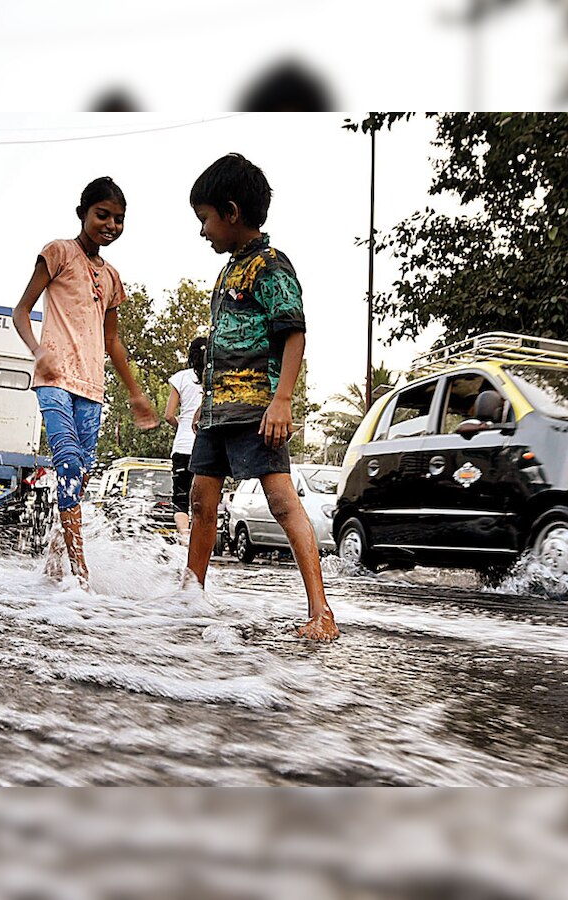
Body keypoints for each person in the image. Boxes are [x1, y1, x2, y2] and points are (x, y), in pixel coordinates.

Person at [185, 153, 338, 641]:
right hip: (217, 412)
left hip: (257, 408)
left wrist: (283, 401)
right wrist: (205, 406)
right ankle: (191, 596)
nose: (203, 231)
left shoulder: (271, 266)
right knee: (200, 500)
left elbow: (294, 333)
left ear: (231, 212)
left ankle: (321, 610)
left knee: (281, 501)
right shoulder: (230, 270)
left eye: (205, 219)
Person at [12, 176, 158, 590]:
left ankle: (55, 561)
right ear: (82, 214)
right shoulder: (58, 252)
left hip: (92, 388)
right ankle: (81, 574)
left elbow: (113, 341)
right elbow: (21, 310)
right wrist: (37, 350)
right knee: (69, 465)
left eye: (119, 219)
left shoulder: (112, 277)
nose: (111, 225)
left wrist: (135, 393)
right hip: (54, 378)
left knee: (80, 477)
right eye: (102, 215)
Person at [164, 336, 207, 544]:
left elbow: (168, 415)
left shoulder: (181, 378)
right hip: (207, 446)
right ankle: (199, 542)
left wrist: (181, 424)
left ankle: (184, 537)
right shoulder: (215, 378)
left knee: (181, 498)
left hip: (182, 446)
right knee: (204, 500)